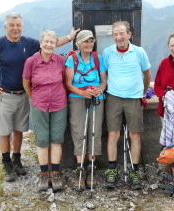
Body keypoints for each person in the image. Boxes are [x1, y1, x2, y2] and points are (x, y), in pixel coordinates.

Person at [0, 13, 78, 182]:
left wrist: (69, 37)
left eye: (18, 25)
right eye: (12, 25)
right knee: (4, 131)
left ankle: (17, 159)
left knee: (19, 129)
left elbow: (50, 44)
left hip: (23, 95)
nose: (15, 28)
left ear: (22, 26)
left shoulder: (28, 43)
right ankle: (6, 163)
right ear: (5, 26)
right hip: (4, 95)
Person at [102, 21, 151, 190]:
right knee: (113, 134)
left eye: (122, 33)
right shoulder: (107, 52)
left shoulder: (139, 52)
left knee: (135, 135)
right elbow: (105, 73)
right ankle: (112, 170)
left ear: (129, 35)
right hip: (113, 97)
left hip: (133, 98)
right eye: (115, 34)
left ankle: (135, 171)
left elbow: (147, 73)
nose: (118, 37)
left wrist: (143, 93)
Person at [22, 30, 67, 192]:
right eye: (46, 41)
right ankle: (43, 173)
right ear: (41, 43)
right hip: (39, 104)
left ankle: (55, 173)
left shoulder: (60, 61)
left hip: (59, 104)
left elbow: (64, 79)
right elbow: (26, 82)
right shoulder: (31, 62)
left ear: (55, 45)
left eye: (52, 42)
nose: (49, 44)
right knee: (42, 139)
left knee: (56, 139)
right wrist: (34, 97)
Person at [65, 30, 107, 190]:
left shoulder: (98, 58)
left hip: (96, 98)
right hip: (77, 98)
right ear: (78, 44)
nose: (89, 44)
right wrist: (82, 92)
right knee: (78, 131)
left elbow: (104, 81)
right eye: (85, 41)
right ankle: (79, 167)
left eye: (91, 41)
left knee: (94, 132)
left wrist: (99, 90)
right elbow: (68, 83)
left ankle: (91, 168)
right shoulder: (72, 59)